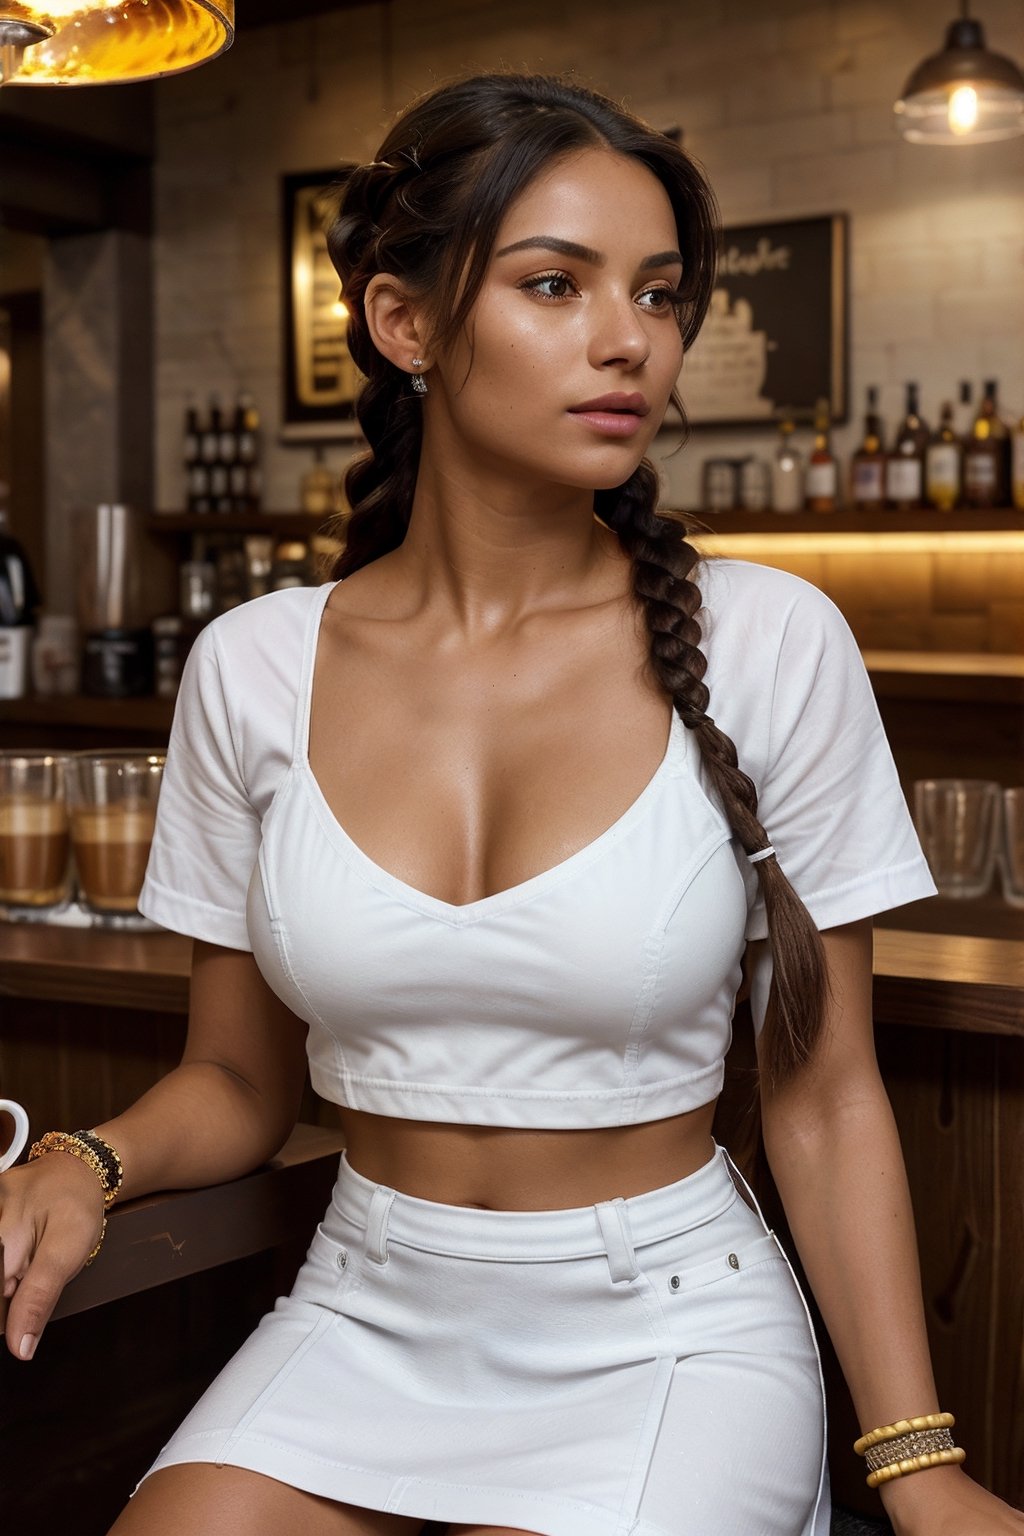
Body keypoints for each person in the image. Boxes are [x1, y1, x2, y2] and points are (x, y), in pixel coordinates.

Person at [2, 72, 1021, 1536]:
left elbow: (823, 1086)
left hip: (671, 1333)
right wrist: (81, 1159)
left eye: (662, 295)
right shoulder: (251, 667)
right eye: (558, 284)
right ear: (403, 323)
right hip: (360, 1309)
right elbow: (235, 1082)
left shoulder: (771, 641)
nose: (632, 341)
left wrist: (916, 1464)